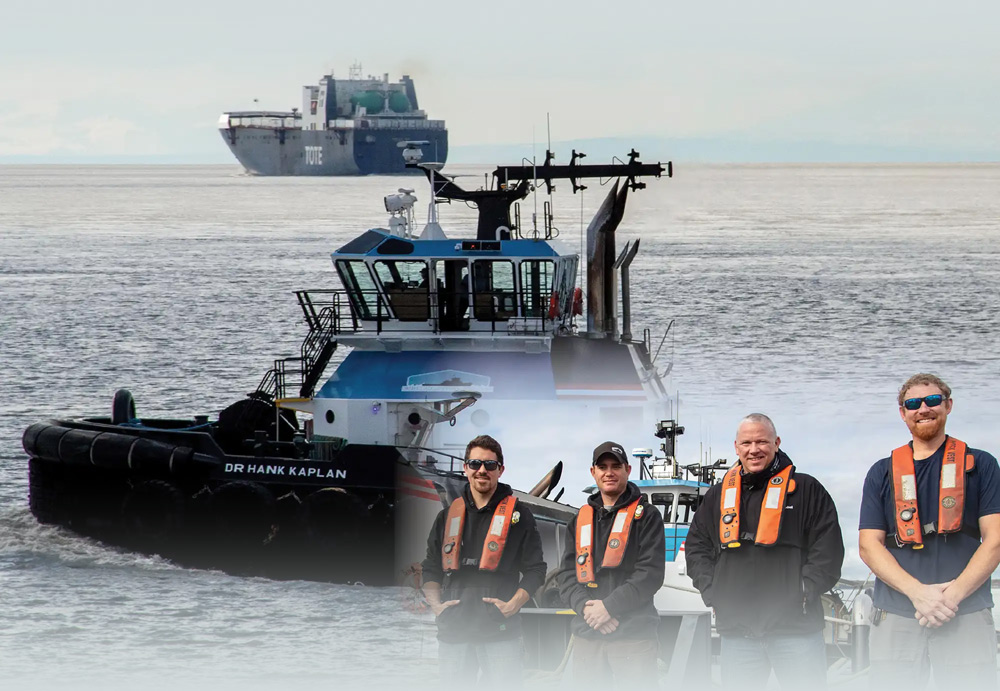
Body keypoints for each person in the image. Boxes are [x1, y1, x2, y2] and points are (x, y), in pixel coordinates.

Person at [859, 374, 1000, 689]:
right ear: (903, 413)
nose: (923, 408)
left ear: (948, 405)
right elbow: (869, 546)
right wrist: (920, 594)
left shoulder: (982, 465)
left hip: (966, 611)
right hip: (896, 612)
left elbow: (995, 540)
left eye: (933, 400)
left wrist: (951, 598)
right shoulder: (881, 472)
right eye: (913, 403)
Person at [686, 413, 844, 690]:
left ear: (776, 442)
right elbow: (697, 547)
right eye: (746, 443)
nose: (754, 449)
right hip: (738, 633)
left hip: (797, 630)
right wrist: (714, 592)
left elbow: (828, 549)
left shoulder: (807, 490)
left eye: (761, 441)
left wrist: (803, 589)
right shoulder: (718, 495)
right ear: (736, 447)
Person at [421, 435, 545, 688]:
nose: (482, 470)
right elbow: (431, 568)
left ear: (500, 470)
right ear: (466, 467)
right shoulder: (446, 516)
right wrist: (436, 605)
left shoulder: (520, 516)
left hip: (500, 633)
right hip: (453, 632)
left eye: (490, 465)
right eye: (475, 463)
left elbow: (536, 570)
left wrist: (512, 605)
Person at [556, 441, 665, 687]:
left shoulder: (647, 516)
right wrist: (587, 608)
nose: (609, 472)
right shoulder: (578, 522)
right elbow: (565, 576)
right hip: (588, 637)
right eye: (602, 466)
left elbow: (650, 574)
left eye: (616, 466)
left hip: (634, 638)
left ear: (627, 469)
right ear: (593, 472)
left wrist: (609, 608)